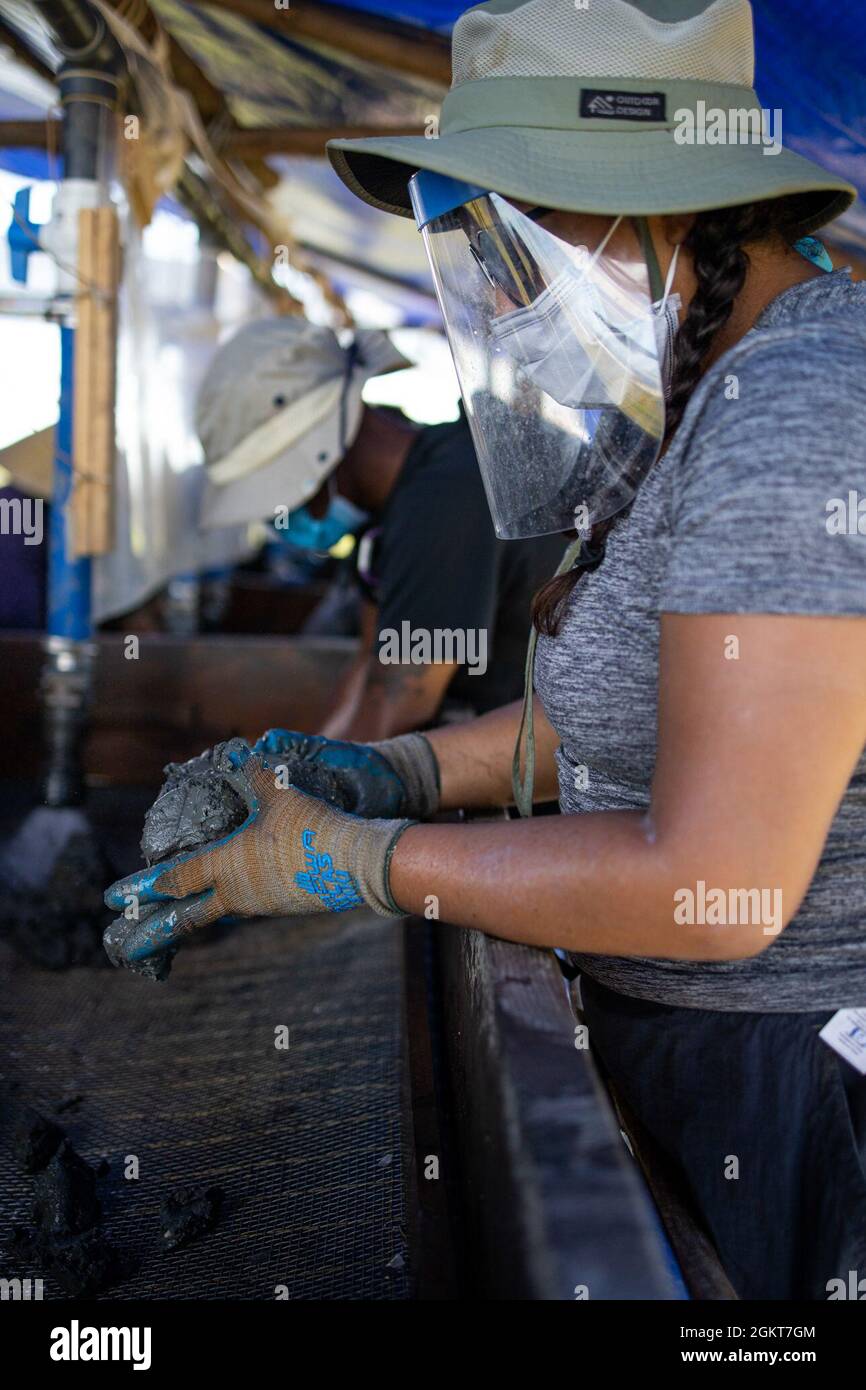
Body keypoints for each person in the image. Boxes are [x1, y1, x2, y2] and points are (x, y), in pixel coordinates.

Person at [108, 0, 866, 1300]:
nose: (506, 308)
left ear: (632, 204)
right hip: (678, 1052)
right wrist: (385, 771)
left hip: (788, 1083)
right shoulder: (690, 404)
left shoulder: (795, 413)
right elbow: (608, 715)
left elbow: (716, 879)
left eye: (507, 244)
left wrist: (357, 863)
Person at [198, 317, 563, 736]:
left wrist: (294, 795)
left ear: (315, 457)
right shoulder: (389, 522)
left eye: (273, 502)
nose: (278, 519)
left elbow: (399, 704)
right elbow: (371, 669)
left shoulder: (447, 499)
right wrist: (296, 770)